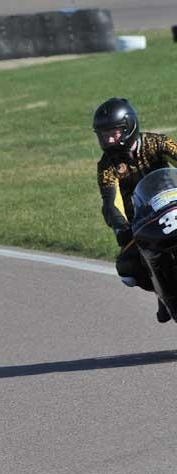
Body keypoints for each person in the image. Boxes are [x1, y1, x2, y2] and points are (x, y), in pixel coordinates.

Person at [94, 97, 177, 322]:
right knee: (128, 267)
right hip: (141, 223)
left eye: (114, 132)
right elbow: (110, 202)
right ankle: (162, 292)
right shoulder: (106, 166)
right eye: (103, 135)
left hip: (173, 205)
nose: (108, 139)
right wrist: (120, 226)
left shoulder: (158, 143)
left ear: (129, 127)